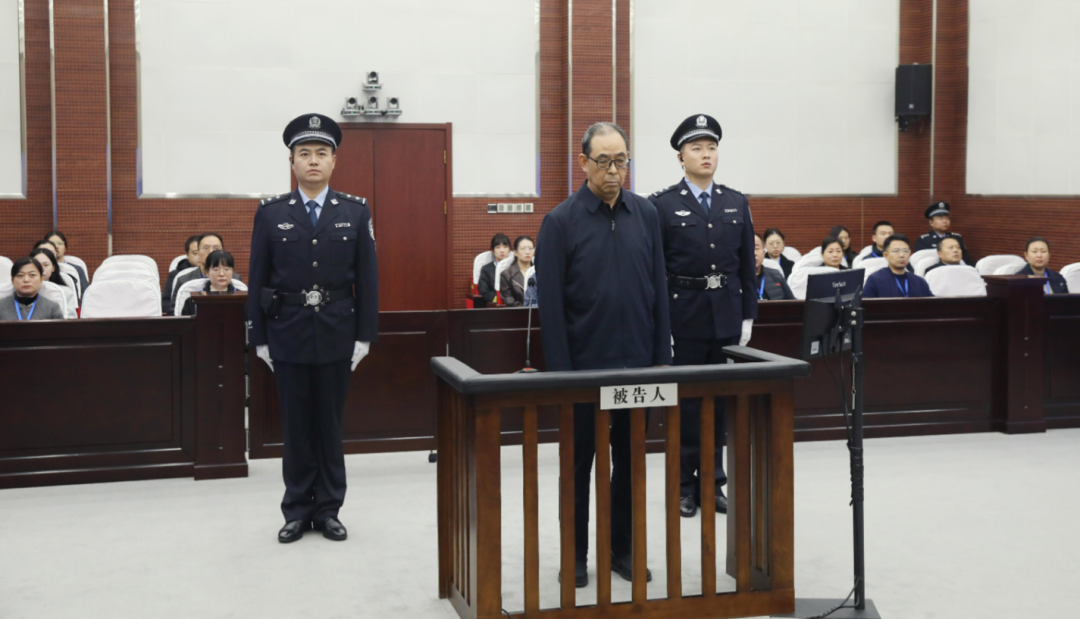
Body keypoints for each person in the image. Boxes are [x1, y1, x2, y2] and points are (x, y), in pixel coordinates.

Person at [536, 121, 670, 588]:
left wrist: (661, 359)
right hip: (584, 372)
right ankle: (574, 555)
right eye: (604, 162)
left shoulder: (645, 214)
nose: (614, 171)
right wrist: (563, 376)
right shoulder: (560, 222)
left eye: (621, 161)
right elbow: (551, 309)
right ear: (584, 163)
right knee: (578, 466)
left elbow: (659, 289)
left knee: (630, 464)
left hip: (638, 367)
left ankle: (623, 549)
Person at [247, 113, 379, 544]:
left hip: (338, 333)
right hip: (287, 333)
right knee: (296, 427)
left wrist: (365, 335)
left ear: (334, 161)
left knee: (329, 425)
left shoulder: (355, 211)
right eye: (304, 154)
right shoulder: (271, 213)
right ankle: (297, 510)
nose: (313, 161)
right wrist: (258, 337)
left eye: (322, 153)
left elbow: (368, 278)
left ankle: (329, 510)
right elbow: (258, 275)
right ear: (292, 162)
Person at [649, 113, 756, 521]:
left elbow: (746, 266)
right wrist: (662, 326)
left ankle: (713, 483)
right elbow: (656, 271)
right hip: (684, 316)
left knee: (719, 404)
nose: (706, 154)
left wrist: (747, 317)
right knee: (686, 405)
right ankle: (683, 486)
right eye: (697, 148)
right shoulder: (662, 205)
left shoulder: (735, 201)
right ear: (681, 157)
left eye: (712, 148)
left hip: (725, 315)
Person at [167, 233, 243, 315]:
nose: (211, 251)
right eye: (206, 248)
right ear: (198, 252)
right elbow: (174, 312)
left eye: (216, 248)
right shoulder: (183, 280)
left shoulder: (236, 280)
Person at [863, 234, 933, 298]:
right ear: (886, 255)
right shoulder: (875, 279)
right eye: (896, 251)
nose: (901, 255)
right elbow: (866, 305)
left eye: (905, 251)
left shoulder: (919, 282)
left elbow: (933, 304)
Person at [0, 257, 65, 321]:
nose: (26, 280)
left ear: (41, 280)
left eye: (32, 275)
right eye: (20, 275)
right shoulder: (1, 306)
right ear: (13, 281)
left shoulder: (52, 307)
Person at [180, 250, 239, 316]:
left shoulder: (242, 299)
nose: (222, 274)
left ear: (232, 271)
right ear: (207, 272)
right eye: (216, 269)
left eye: (227, 269)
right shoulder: (193, 301)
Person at [163, 235, 202, 310]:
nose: (199, 256)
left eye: (202, 252)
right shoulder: (175, 275)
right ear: (187, 255)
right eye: (195, 253)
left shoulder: (214, 273)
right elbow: (165, 302)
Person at [755, 234, 795, 300]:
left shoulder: (776, 275)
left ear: (763, 253)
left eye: (757, 248)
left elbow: (793, 303)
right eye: (748, 249)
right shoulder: (736, 279)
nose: (754, 253)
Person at [499, 235, 534, 307]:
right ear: (515, 252)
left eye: (530, 248)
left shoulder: (539, 272)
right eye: (523, 249)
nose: (527, 252)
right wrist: (525, 310)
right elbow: (509, 299)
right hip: (518, 312)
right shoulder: (506, 275)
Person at [477, 233, 511, 306]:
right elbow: (484, 291)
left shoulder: (514, 267)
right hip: (495, 305)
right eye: (498, 247)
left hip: (514, 304)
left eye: (505, 247)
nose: (502, 251)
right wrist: (498, 299)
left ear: (509, 250)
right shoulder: (486, 269)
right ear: (493, 250)